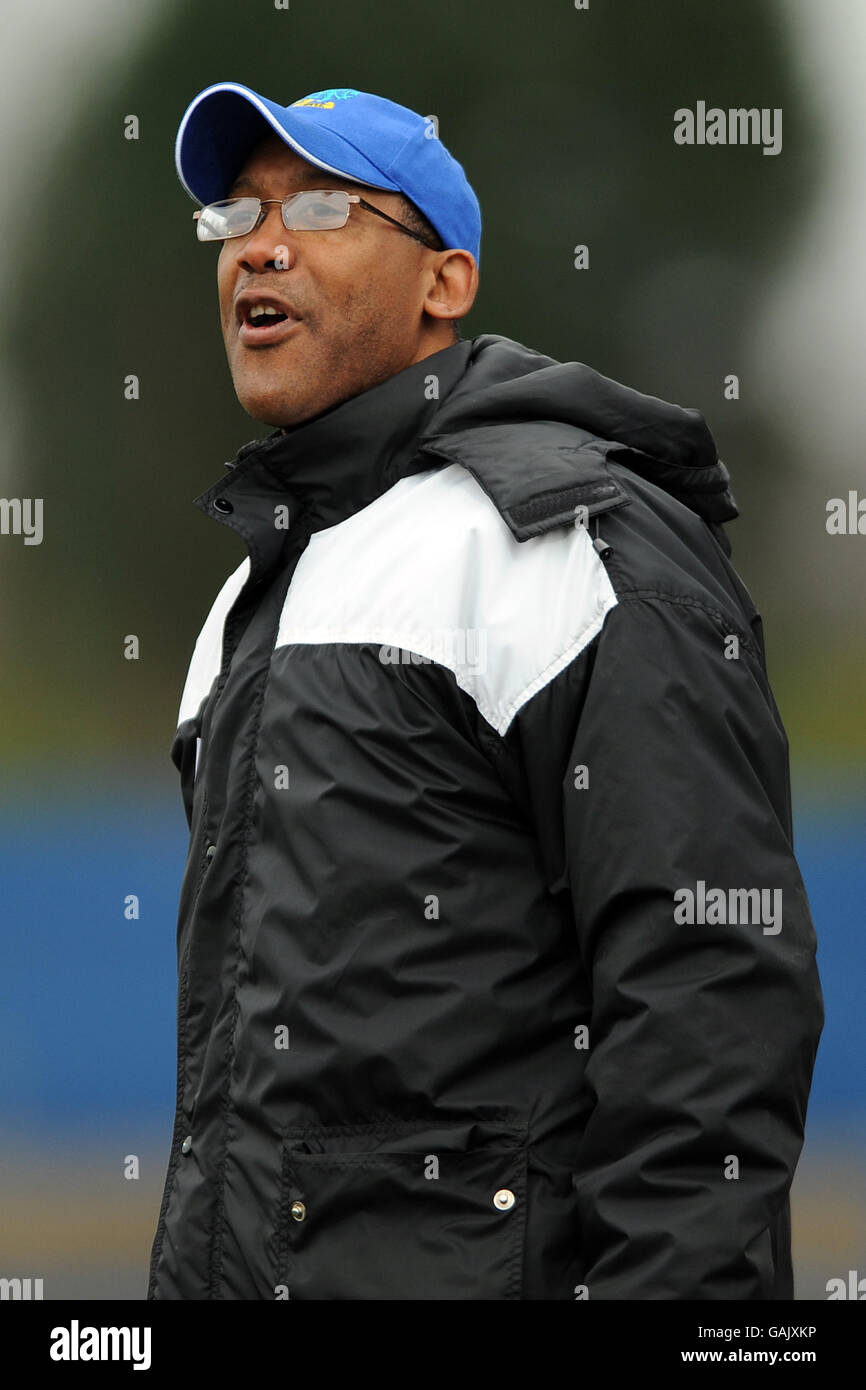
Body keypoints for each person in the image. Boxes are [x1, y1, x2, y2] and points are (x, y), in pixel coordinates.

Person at [147, 83, 824, 1301]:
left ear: (443, 283)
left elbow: (708, 988)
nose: (260, 239)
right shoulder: (244, 601)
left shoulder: (573, 545)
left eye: (318, 204)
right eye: (235, 213)